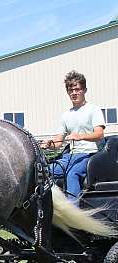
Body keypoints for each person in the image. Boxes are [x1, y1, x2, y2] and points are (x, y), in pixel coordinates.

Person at [42, 70, 105, 202]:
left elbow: (99, 134)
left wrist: (80, 136)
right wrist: (49, 144)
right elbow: (59, 142)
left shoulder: (94, 110)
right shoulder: (66, 115)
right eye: (71, 90)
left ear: (84, 90)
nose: (74, 93)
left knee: (72, 174)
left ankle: (73, 214)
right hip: (70, 156)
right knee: (44, 172)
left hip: (91, 155)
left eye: (77, 89)